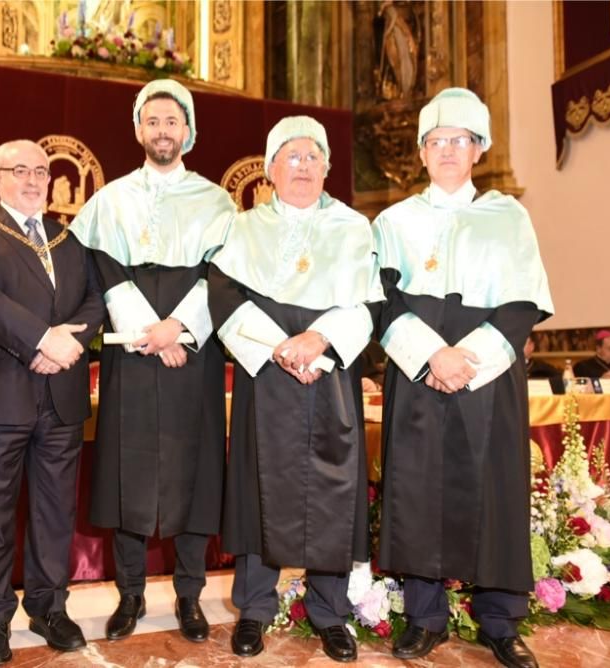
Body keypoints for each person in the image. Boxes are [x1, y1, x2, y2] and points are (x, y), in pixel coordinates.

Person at [372, 88, 553, 668]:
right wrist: (431, 357)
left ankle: (500, 621)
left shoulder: (509, 216)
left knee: (495, 492)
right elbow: (379, 300)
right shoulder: (394, 221)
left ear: (478, 150)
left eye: (460, 141)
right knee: (416, 490)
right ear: (422, 153)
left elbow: (523, 303)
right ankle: (424, 617)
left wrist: (466, 359)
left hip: (488, 379)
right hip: (418, 374)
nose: (448, 150)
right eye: (437, 142)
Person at [68, 79, 236, 643]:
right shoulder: (110, 200)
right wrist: (149, 331)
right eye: (153, 121)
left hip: (193, 353)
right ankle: (131, 596)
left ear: (188, 130)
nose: (163, 131)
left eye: (173, 121)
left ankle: (190, 596)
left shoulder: (217, 201)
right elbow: (103, 270)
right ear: (138, 128)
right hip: (133, 352)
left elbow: (223, 274)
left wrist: (179, 330)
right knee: (128, 473)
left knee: (195, 470)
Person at [208, 116, 381, 662]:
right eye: (291, 157)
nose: (302, 166)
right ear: (270, 169)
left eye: (312, 157)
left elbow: (370, 303)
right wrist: (280, 350)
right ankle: (255, 610)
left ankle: (329, 614)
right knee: (262, 489)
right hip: (268, 377)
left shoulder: (354, 228)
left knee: (333, 490)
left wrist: (320, 342)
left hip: (331, 374)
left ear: (327, 167)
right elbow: (226, 297)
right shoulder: (244, 228)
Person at [0, 140, 104, 665]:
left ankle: (48, 607)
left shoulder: (68, 236)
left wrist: (69, 345)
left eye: (40, 170)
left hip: (60, 395)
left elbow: (95, 298)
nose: (32, 180)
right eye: (19, 170)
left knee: (55, 510)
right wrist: (42, 340)